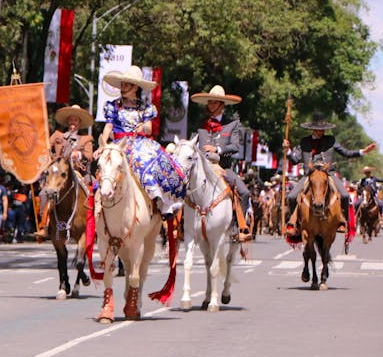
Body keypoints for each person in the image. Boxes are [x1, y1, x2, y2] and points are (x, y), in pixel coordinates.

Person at [99, 66, 185, 218]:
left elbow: (149, 129)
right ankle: (98, 203)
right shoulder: (113, 106)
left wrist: (142, 127)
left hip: (138, 142)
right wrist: (103, 144)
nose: (122, 87)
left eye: (126, 85)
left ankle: (160, 199)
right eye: (122, 84)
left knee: (151, 160)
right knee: (106, 163)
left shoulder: (145, 107)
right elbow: (109, 126)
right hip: (119, 143)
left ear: (135, 87)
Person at [283, 112, 376, 239]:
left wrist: (362, 151)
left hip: (328, 174)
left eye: (323, 129)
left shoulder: (331, 140)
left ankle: (343, 222)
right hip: (309, 175)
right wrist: (288, 151)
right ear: (312, 129)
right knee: (292, 197)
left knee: (345, 195)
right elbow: (295, 160)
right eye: (318, 129)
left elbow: (346, 153)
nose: (321, 132)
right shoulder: (304, 142)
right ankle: (294, 223)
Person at [192, 84, 252, 241]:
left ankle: (238, 228)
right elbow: (192, 142)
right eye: (209, 102)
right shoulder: (200, 123)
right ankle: (179, 226)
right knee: (181, 185)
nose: (210, 105)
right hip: (201, 167)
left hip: (223, 168)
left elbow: (235, 147)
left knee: (244, 192)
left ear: (221, 105)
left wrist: (217, 149)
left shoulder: (232, 124)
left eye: (214, 102)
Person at [50, 104, 95, 174]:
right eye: (71, 120)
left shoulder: (86, 138)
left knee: (88, 179)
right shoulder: (58, 134)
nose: (73, 122)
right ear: (67, 121)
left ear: (79, 122)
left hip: (76, 170)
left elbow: (89, 156)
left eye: (75, 120)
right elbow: (46, 146)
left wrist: (78, 154)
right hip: (57, 167)